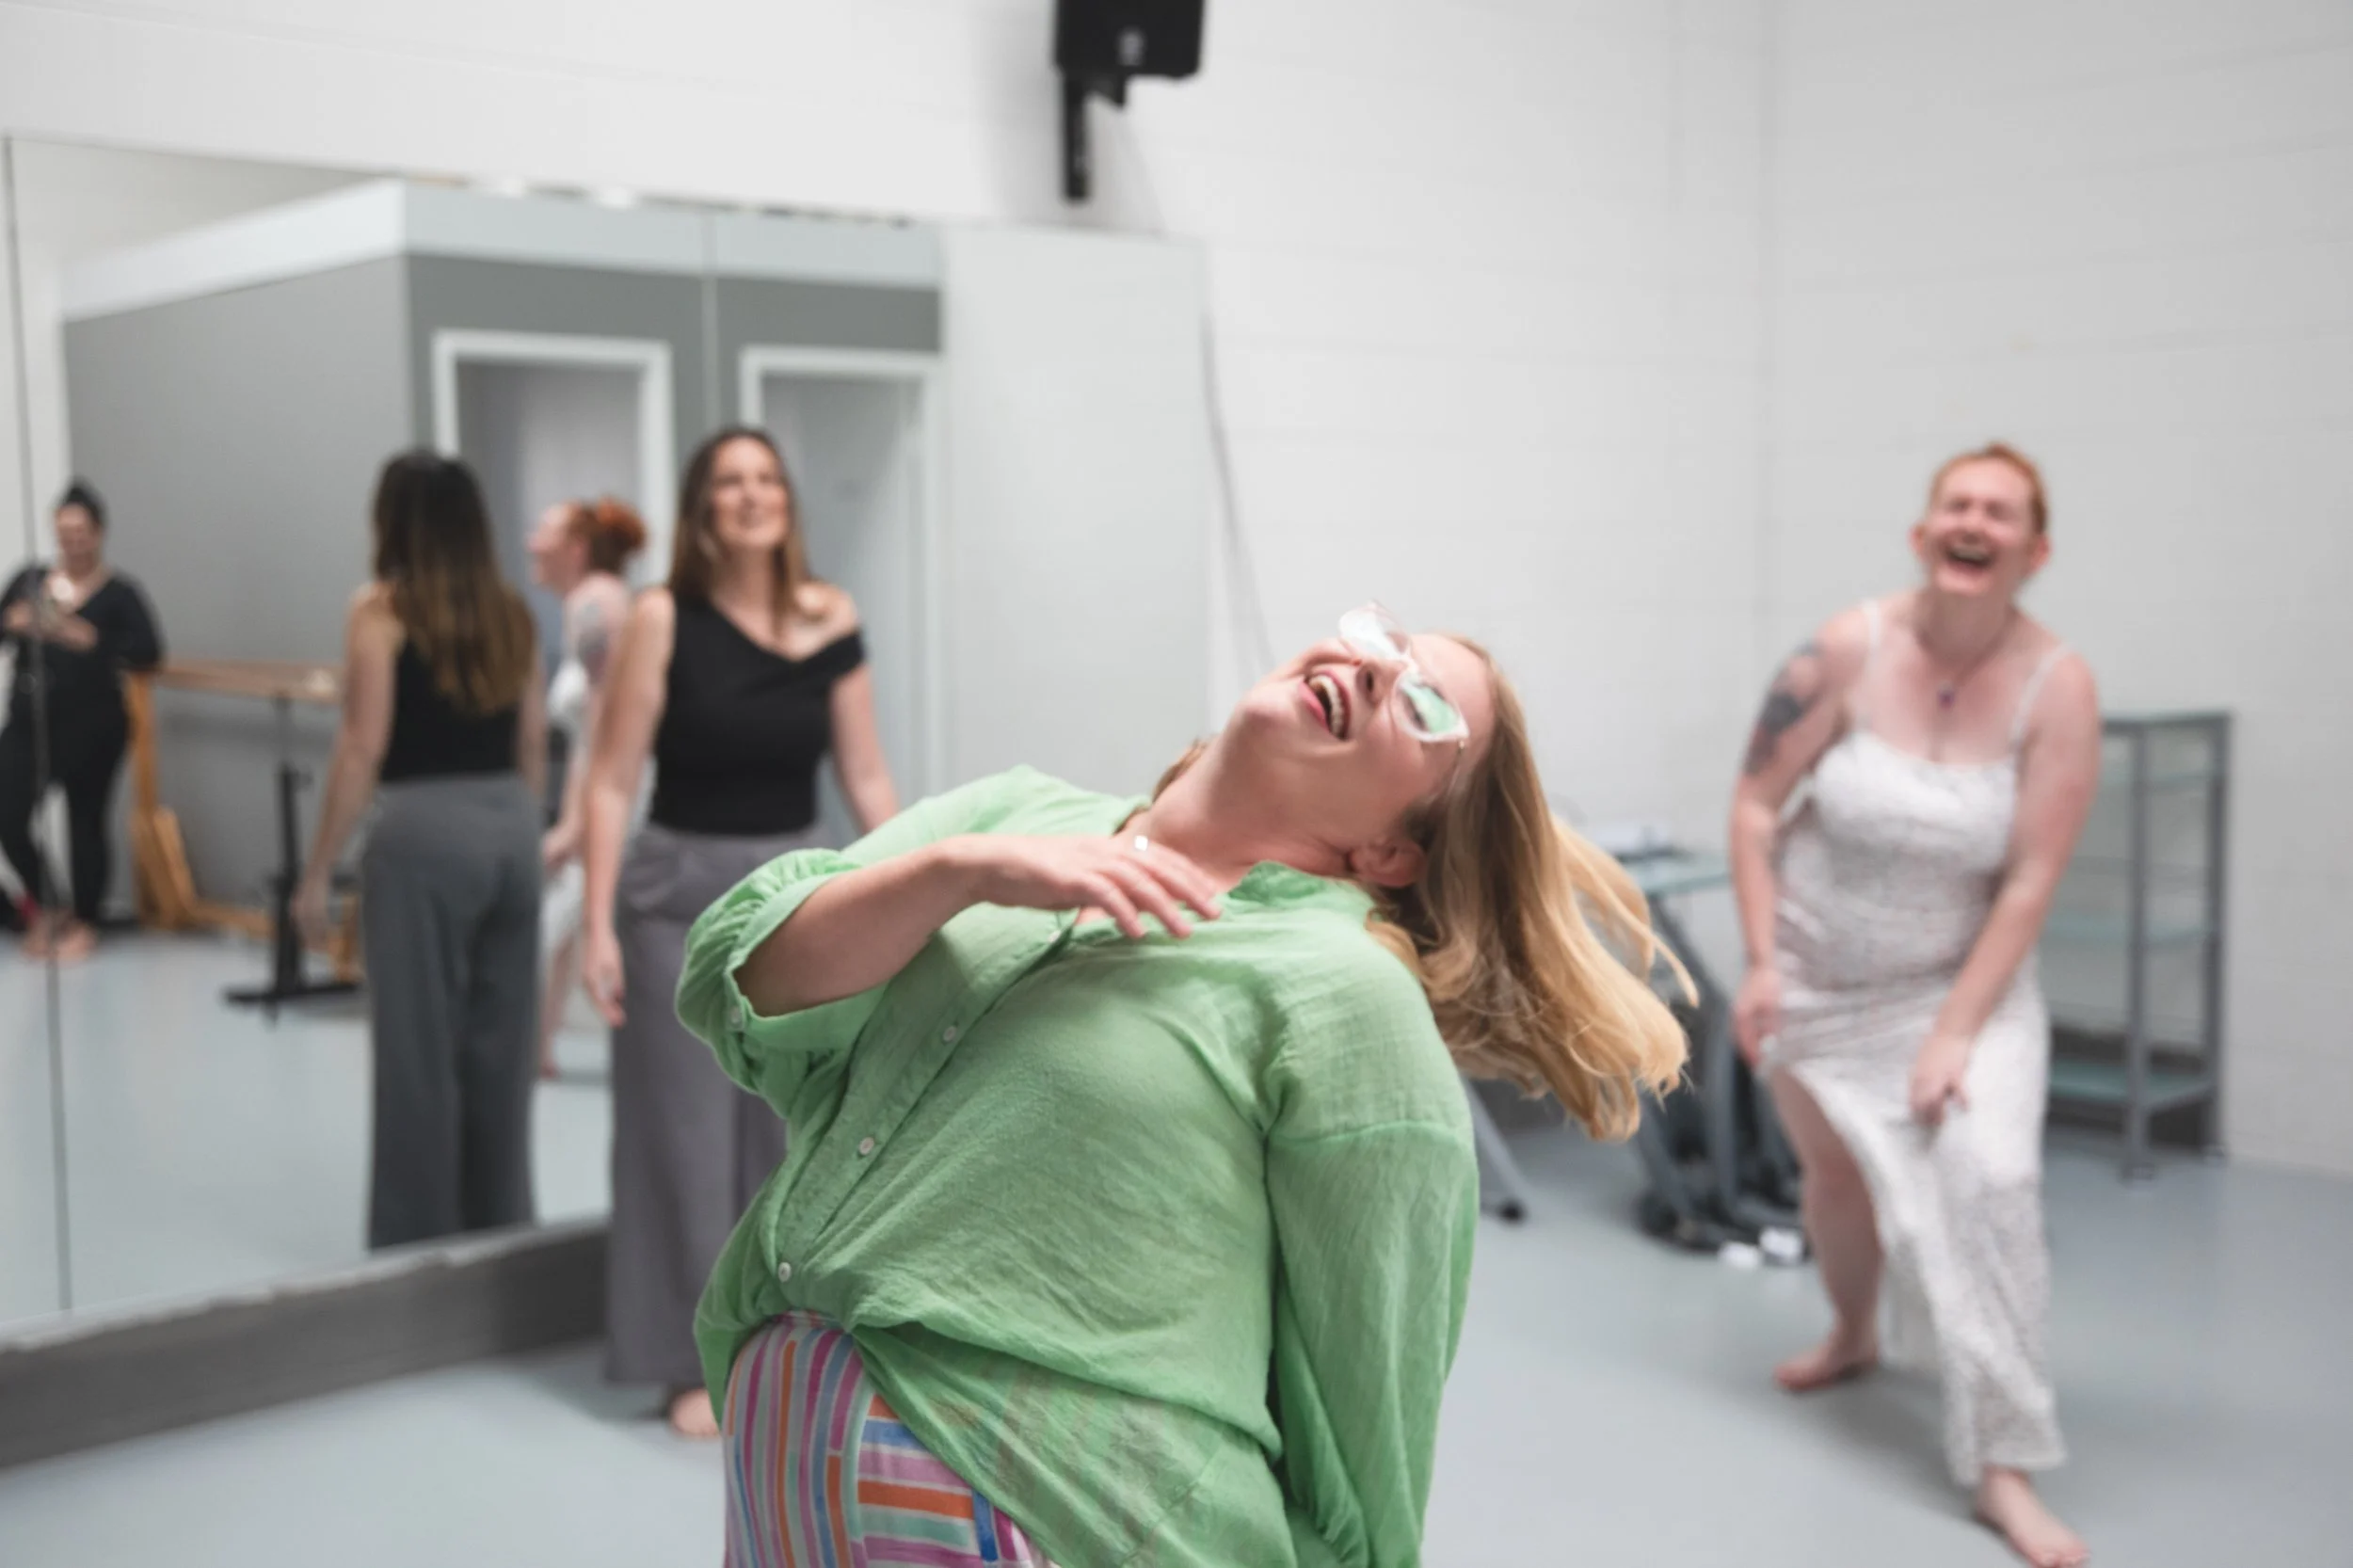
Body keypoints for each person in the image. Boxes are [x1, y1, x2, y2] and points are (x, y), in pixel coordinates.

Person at [675, 603, 1689, 1567]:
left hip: (1061, 1514)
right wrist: (963, 871)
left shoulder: (1346, 997)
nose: (1376, 665)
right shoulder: (1012, 817)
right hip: (785, 1468)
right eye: (1384, 639)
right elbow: (739, 980)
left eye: (1424, 707)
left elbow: (1364, 1427)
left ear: (1387, 849)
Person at [1728, 443, 2101, 1568]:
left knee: (1990, 1183)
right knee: (1833, 1173)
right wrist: (1758, 964)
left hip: (1960, 990)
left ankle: (2002, 1463)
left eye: (2001, 511)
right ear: (1922, 531)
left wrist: (1949, 1034)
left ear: (2033, 551)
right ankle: (1851, 1332)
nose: (1974, 521)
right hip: (1814, 978)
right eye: (1957, 504)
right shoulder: (1844, 647)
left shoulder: (2058, 686)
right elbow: (1754, 807)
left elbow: (2030, 877)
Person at [580, 426, 900, 1436]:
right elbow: (611, 778)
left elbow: (866, 776)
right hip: (677, 895)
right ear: (702, 508)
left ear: (787, 502)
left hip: (800, 893)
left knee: (789, 1130)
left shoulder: (830, 615)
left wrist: (922, 889)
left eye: (766, 478)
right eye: (729, 481)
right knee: (680, 1136)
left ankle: (782, 1343)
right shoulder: (660, 617)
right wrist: (592, 923)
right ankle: (683, 1358)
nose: (751, 495)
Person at [294, 453, 547, 1250]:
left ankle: (417, 1247)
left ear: (393, 522)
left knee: (417, 1053)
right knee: (500, 1054)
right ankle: (501, 1231)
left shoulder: (379, 613)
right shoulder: (514, 613)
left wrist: (315, 873)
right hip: (510, 827)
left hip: (422, 834)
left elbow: (362, 746)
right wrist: (523, 832)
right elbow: (534, 741)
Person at [0, 481, 163, 960]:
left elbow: (148, 650)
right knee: (8, 812)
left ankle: (86, 920)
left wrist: (86, 638)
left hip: (92, 726)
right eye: (63, 531)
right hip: (29, 722)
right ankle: (49, 904)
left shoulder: (119, 593)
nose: (71, 541)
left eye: (81, 532)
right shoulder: (30, 579)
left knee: (85, 821)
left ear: (98, 534)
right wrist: (17, 621)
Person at [528, 496, 647, 1079]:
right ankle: (538, 1047)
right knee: (564, 921)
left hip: (614, 791)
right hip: (603, 784)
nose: (531, 544)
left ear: (575, 549)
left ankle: (532, 1047)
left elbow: (603, 724)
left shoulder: (593, 603)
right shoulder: (599, 600)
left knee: (560, 917)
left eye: (543, 533)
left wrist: (577, 821)